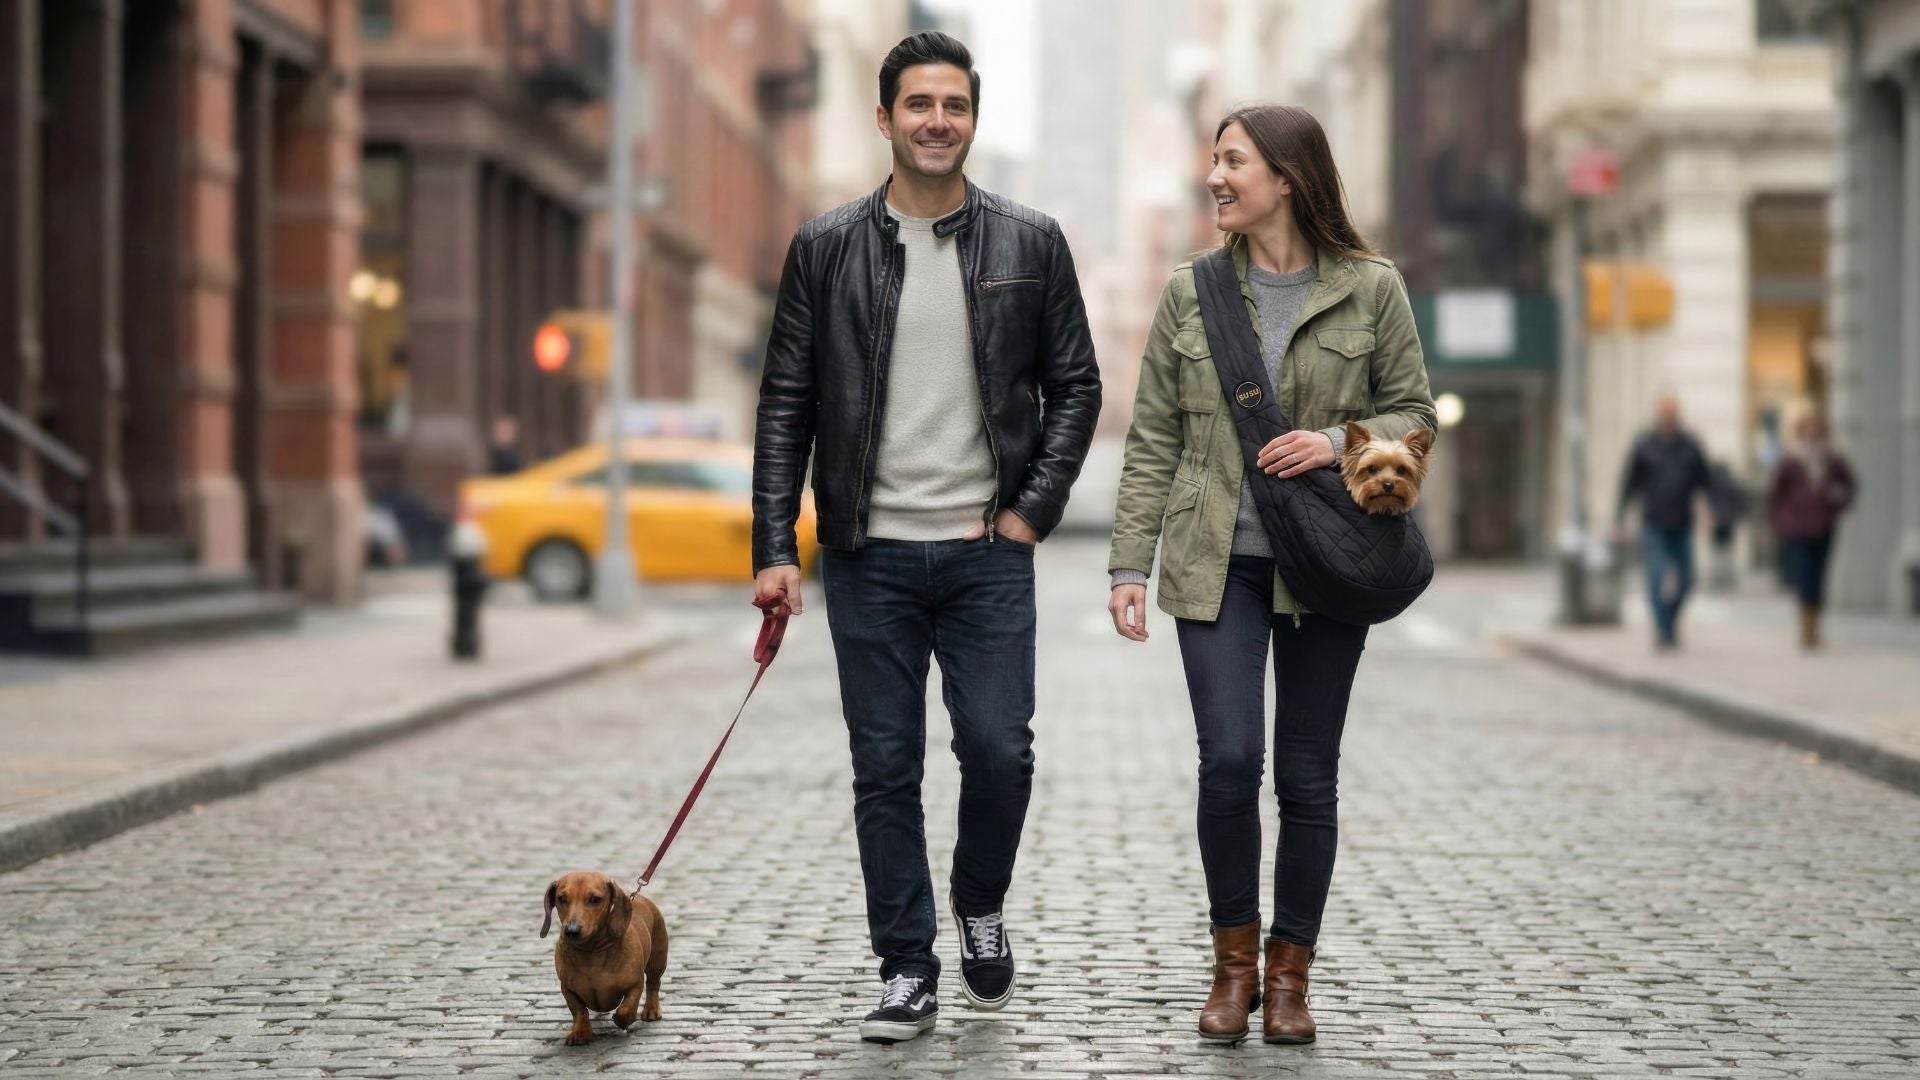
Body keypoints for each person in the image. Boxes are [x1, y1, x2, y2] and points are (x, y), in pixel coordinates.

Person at [749, 31, 1101, 1044]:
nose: (936, 120)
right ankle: (906, 965)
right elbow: (786, 402)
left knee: (999, 752)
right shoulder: (826, 247)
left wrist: (1031, 509)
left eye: (954, 104)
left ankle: (978, 901)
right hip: (869, 553)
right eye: (918, 104)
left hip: (988, 553)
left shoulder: (1031, 242)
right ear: (884, 117)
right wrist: (777, 545)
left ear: (973, 119)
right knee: (884, 766)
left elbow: (1076, 385)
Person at [1107, 104, 1435, 1046]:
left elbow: (1413, 406)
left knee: (1306, 778)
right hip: (1218, 565)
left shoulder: (1372, 289)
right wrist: (1132, 561)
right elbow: (1156, 437)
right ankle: (1233, 970)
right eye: (1214, 161)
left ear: (1287, 177)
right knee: (1230, 764)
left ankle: (1290, 980)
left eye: (1233, 162)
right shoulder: (1191, 292)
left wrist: (1333, 442)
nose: (1215, 177)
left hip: (1325, 565)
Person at [1615, 394, 1711, 649]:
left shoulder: (1690, 444)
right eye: (1664, 412)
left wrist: (1708, 511)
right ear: (1657, 415)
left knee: (1688, 580)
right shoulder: (1644, 444)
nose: (1668, 417)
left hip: (1682, 522)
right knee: (1656, 579)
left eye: (1672, 412)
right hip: (1653, 523)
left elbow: (1706, 480)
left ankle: (1668, 621)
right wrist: (1620, 518)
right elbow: (1629, 483)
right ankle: (1663, 629)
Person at [1767, 412, 1855, 649]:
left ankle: (1814, 625)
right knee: (1803, 575)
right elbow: (1776, 492)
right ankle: (1807, 628)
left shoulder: (1832, 459)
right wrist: (1778, 519)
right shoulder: (1791, 459)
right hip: (1796, 527)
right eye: (1808, 427)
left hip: (1824, 526)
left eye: (1817, 428)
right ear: (1801, 430)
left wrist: (1837, 506)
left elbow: (1849, 486)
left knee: (1819, 576)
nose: (1813, 432)